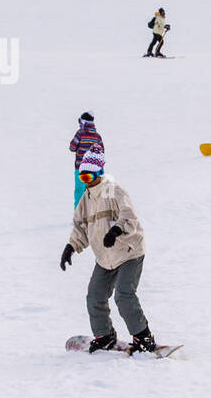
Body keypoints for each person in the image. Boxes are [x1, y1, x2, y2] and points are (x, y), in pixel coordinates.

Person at [59, 149, 155, 353]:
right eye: (81, 176)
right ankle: (104, 337)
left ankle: (143, 338)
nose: (84, 181)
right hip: (105, 258)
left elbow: (129, 215)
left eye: (88, 176)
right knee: (95, 296)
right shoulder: (85, 199)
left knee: (124, 294)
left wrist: (116, 230)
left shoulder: (112, 190)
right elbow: (80, 227)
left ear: (98, 174)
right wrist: (70, 247)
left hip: (129, 251)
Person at [69, 111, 104, 205]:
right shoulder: (97, 136)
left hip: (80, 169)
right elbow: (102, 153)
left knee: (79, 192)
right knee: (92, 193)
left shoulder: (80, 133)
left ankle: (78, 215)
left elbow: (72, 147)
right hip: (94, 172)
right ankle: (91, 215)